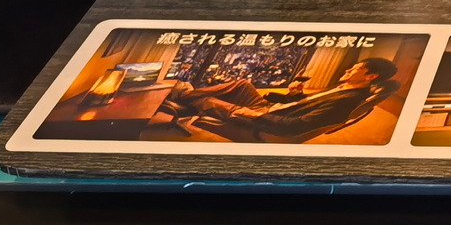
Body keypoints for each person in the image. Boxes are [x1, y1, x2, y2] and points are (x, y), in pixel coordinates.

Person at [158, 55, 400, 143]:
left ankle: (183, 97)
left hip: (269, 118)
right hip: (275, 108)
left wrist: (254, 114)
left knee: (209, 103)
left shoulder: (346, 100)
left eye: (354, 69)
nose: (347, 70)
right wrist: (295, 95)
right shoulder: (344, 88)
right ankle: (187, 95)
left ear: (371, 76)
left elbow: (297, 126)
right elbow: (307, 105)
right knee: (243, 83)